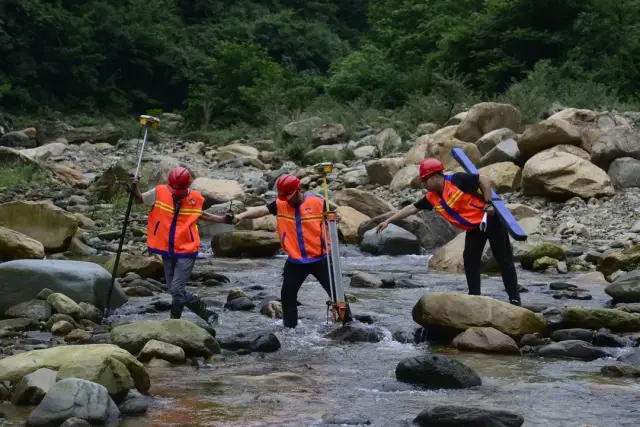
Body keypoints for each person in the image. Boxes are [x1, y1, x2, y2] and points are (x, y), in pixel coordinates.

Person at [375, 158, 522, 306]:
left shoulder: (458, 180)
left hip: (491, 220)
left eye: (426, 179)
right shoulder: (431, 197)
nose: (424, 183)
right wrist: (389, 220)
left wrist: (489, 203)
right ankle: (474, 297)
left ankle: (514, 299)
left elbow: (483, 180)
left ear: (437, 176)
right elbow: (412, 208)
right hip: (474, 228)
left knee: (504, 260)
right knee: (470, 261)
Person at [232, 173, 353, 328]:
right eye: (284, 197)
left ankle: (349, 325)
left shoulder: (317, 202)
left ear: (298, 190)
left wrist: (336, 217)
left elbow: (337, 213)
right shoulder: (280, 204)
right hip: (295, 261)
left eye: (289, 196)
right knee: (287, 297)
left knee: (337, 294)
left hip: (320, 258)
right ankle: (290, 329)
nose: (287, 200)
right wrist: (241, 216)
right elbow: (261, 211)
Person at [132, 166, 231, 326]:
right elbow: (139, 200)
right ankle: (200, 311)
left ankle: (177, 321)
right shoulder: (159, 192)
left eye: (179, 192)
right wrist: (135, 186)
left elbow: (201, 214)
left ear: (188, 186)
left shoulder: (196, 198)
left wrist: (222, 219)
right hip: (166, 248)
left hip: (187, 249)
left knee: (177, 290)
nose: (176, 195)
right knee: (174, 290)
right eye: (173, 191)